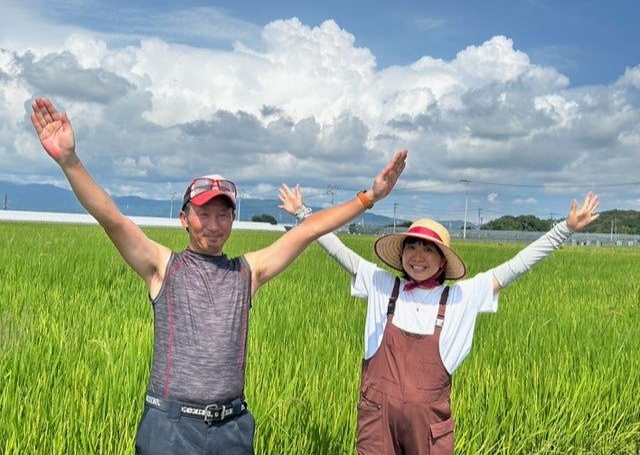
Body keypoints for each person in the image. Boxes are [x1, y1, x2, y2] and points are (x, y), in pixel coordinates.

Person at [29, 97, 408, 455]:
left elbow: (308, 230)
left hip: (232, 428)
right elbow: (112, 219)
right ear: (184, 218)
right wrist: (70, 161)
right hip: (171, 430)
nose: (213, 224)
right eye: (203, 214)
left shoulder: (246, 272)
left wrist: (368, 198)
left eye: (222, 214)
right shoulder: (164, 267)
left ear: (232, 219)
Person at [279, 184, 599, 455]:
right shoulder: (382, 286)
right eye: (412, 247)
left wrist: (565, 229)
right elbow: (338, 250)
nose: (418, 256)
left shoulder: (461, 297)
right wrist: (302, 214)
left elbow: (516, 266)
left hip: (429, 428)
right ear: (401, 254)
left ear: (443, 260)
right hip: (377, 419)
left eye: (429, 250)